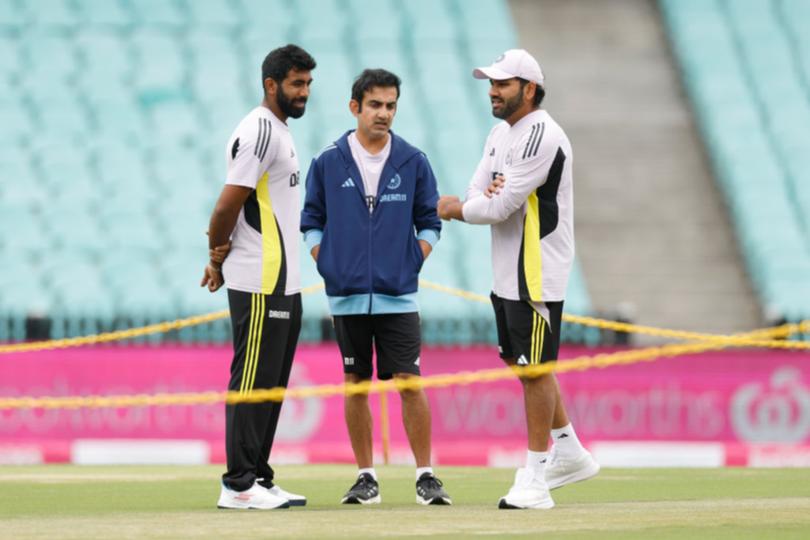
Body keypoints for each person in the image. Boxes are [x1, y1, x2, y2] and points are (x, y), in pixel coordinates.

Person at [437, 49, 599, 509]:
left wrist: (455, 208)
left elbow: (498, 205)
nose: (492, 90)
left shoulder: (542, 134)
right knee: (523, 363)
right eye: (491, 82)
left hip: (537, 269)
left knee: (535, 371)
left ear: (529, 89)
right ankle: (568, 448)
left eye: (503, 83)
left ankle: (535, 477)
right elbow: (479, 190)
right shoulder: (499, 132)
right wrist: (479, 198)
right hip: (508, 269)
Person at [301, 69, 451, 506]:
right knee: (355, 382)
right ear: (355, 107)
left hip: (398, 294)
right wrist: (328, 262)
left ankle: (426, 475)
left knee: (410, 381)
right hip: (346, 297)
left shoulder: (413, 160)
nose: (384, 113)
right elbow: (311, 221)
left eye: (390, 106)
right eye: (375, 105)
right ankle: (366, 477)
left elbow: (430, 221)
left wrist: (413, 258)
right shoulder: (328, 161)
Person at [200, 44, 316, 510]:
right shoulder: (259, 131)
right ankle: (238, 484)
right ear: (271, 85)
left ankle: (260, 477)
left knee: (271, 383)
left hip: (285, 280)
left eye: (308, 83)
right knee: (251, 380)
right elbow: (227, 205)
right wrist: (215, 258)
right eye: (296, 84)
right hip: (258, 280)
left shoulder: (280, 130)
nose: (304, 92)